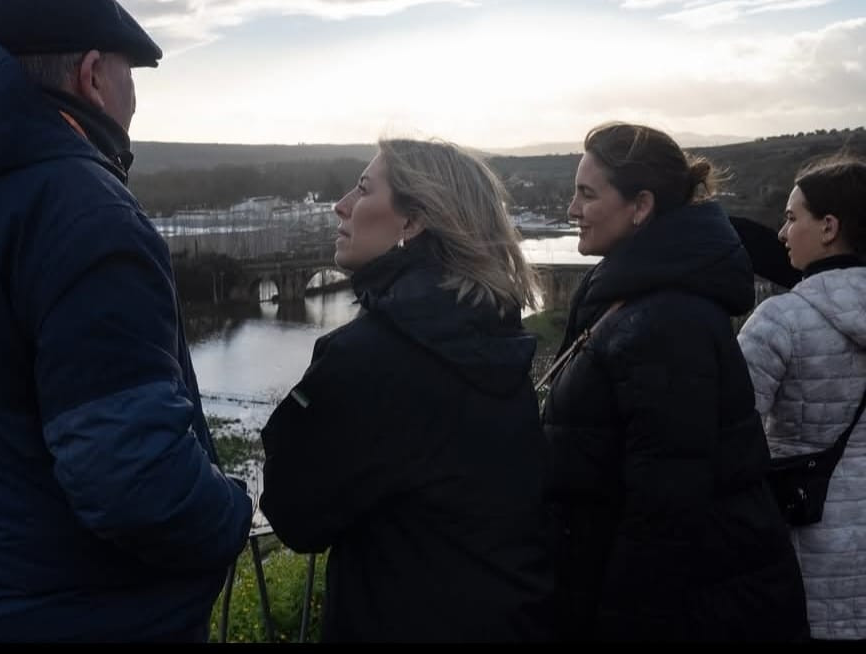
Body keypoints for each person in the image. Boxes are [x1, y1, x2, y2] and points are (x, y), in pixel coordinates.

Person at [0, 0, 251, 642]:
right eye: (129, 75)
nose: (133, 100)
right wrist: (230, 514)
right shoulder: (84, 214)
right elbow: (133, 478)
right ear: (92, 74)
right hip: (87, 617)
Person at [259, 139, 554, 642]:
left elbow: (294, 512)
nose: (341, 204)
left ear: (413, 222)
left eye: (364, 189)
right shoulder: (490, 333)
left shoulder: (377, 355)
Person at [540, 122, 808, 641]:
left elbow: (663, 519)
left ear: (640, 206)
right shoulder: (644, 298)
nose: (571, 209)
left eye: (586, 194)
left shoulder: (665, 323)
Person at [737, 156, 866, 641]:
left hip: (804, 544)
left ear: (829, 227)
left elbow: (730, 433)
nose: (782, 233)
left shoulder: (780, 320)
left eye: (793, 218)